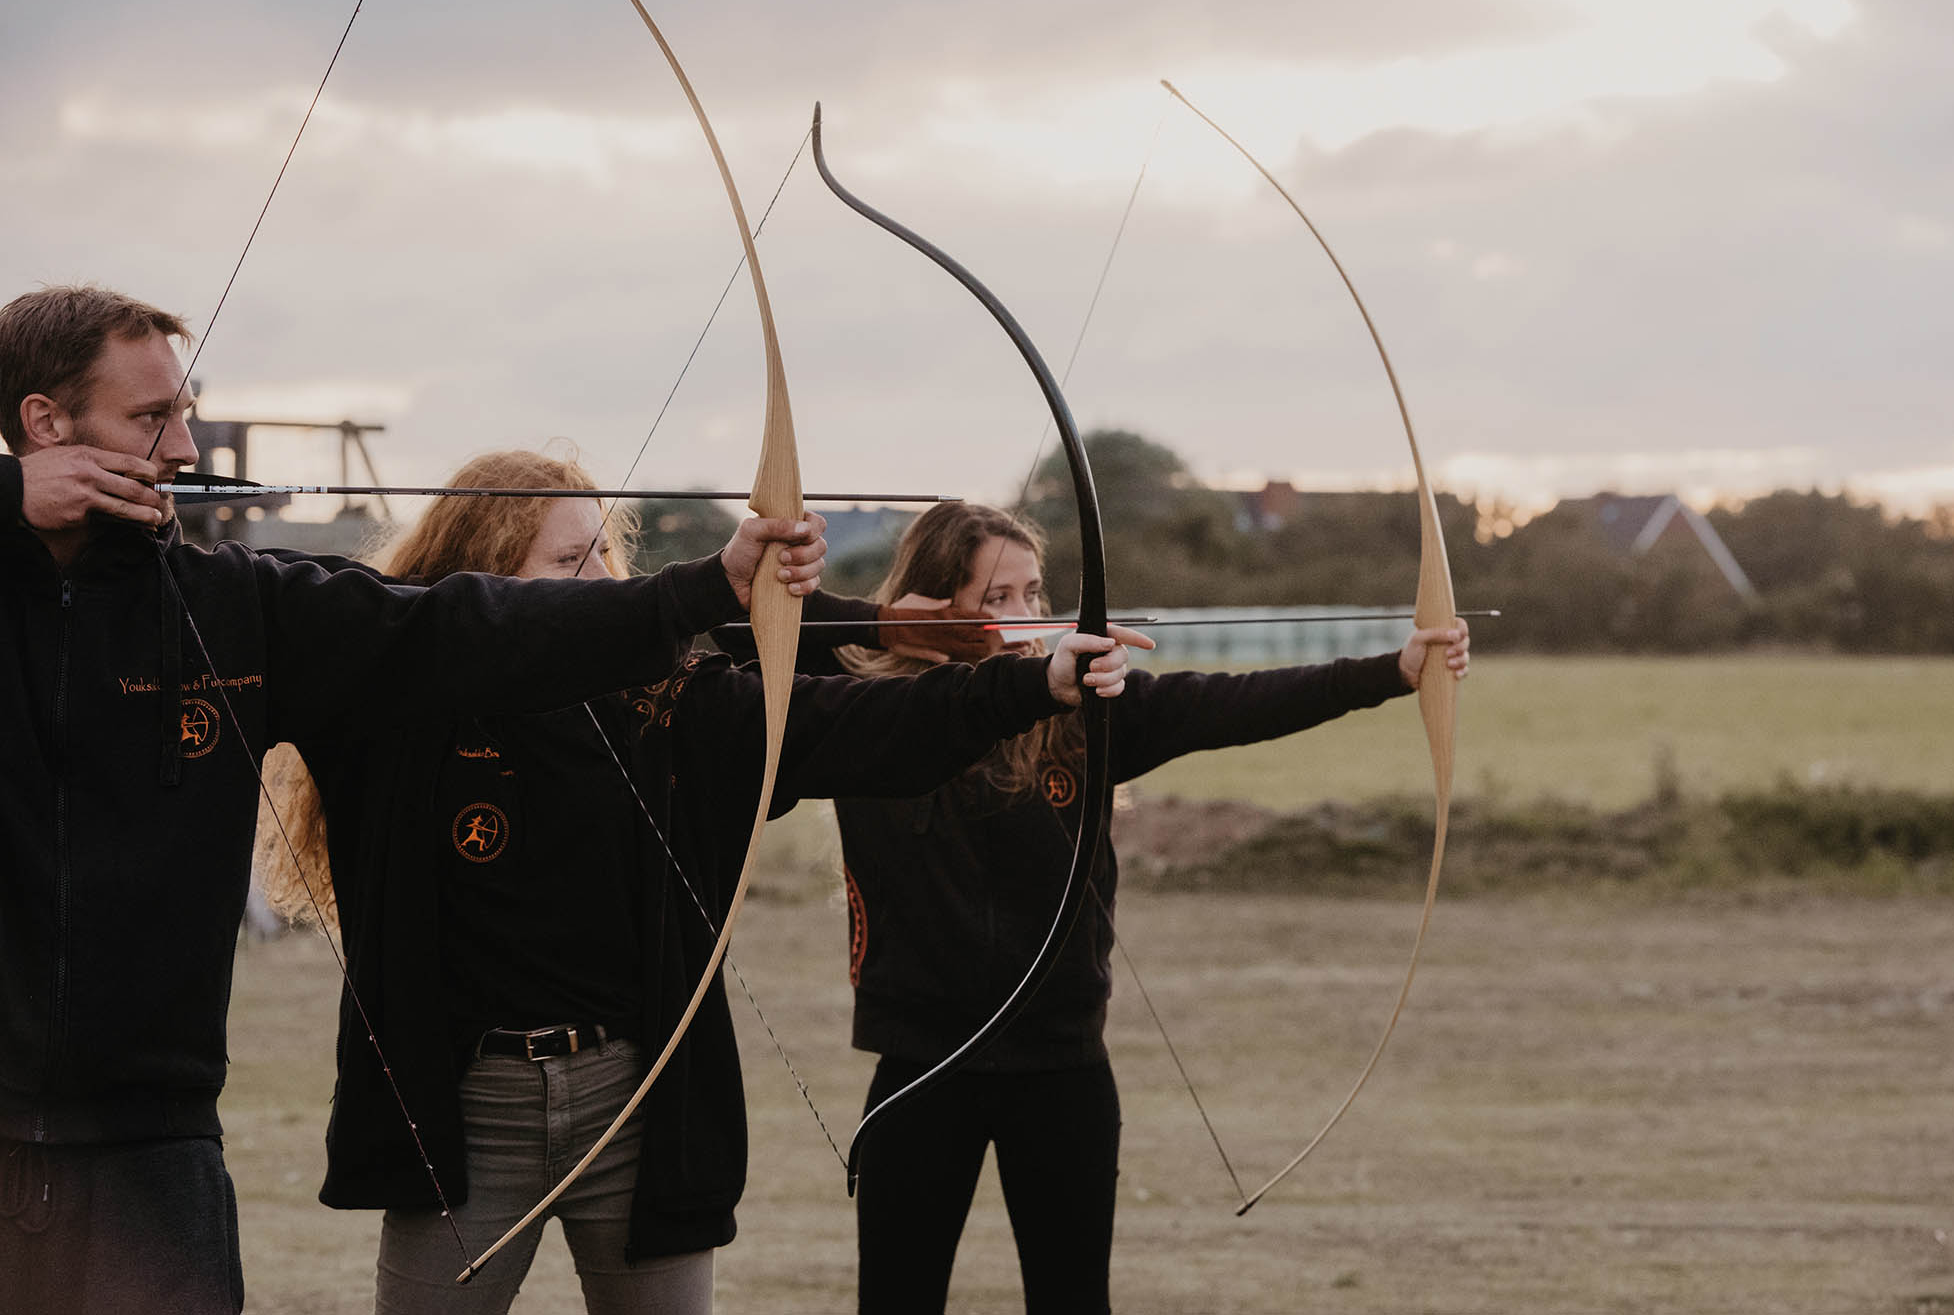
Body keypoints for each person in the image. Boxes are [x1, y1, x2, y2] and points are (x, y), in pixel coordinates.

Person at [0, 285, 829, 1315]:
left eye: (186, 414)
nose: (184, 447)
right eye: (150, 418)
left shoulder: (232, 604)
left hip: (154, 1142)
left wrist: (703, 587)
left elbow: (461, 629)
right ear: (46, 425)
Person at [254, 448, 1148, 1314]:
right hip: (465, 1112)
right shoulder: (399, 704)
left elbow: (848, 723)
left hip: (636, 1106)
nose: (603, 580)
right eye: (568, 560)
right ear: (483, 579)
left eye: (604, 553)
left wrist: (1032, 683)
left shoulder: (664, 698)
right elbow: (337, 609)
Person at [770, 501, 1470, 1315]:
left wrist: (1394, 670)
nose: (1028, 616)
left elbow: (1236, 701)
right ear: (933, 604)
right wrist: (878, 625)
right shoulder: (863, 714)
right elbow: (742, 640)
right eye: (998, 598)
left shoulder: (1088, 712)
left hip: (1060, 1066)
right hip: (920, 1066)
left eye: (1034, 592)